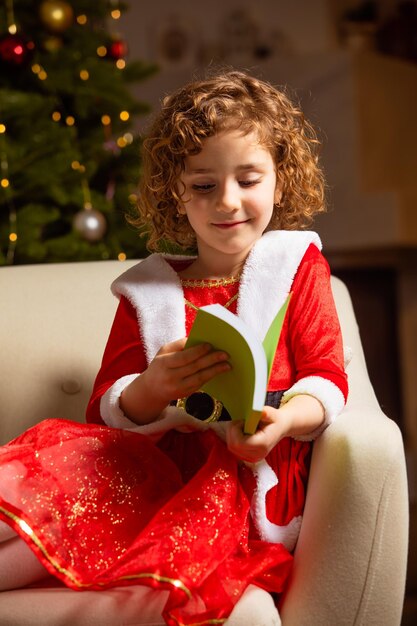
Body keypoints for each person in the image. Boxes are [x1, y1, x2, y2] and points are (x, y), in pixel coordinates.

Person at [0, 70, 348, 625]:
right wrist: (152, 388)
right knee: (28, 509)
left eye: (249, 179)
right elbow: (106, 410)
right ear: (175, 191)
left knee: (236, 604)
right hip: (137, 475)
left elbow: (327, 377)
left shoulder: (298, 267)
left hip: (227, 488)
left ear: (280, 181)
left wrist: (282, 422)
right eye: (204, 185)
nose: (227, 202)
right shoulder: (148, 290)